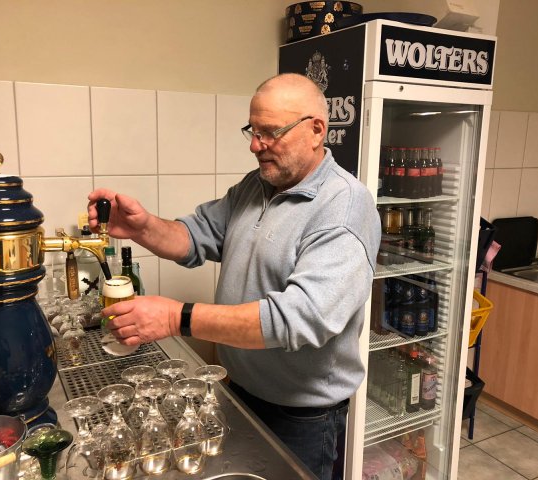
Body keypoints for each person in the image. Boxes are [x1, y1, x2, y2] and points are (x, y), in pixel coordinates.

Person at [87, 73, 381, 480]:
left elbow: (299, 318)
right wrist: (143, 227)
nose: (255, 145)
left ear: (316, 130)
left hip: (302, 417)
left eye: (270, 132)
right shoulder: (256, 185)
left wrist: (175, 317)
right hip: (236, 390)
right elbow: (198, 236)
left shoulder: (344, 208)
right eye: (253, 131)